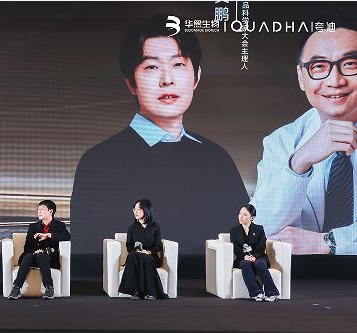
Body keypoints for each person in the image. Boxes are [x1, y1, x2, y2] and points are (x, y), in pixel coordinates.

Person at [70, 14, 248, 257]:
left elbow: (242, 239)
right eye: (152, 67)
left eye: (178, 65)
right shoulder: (98, 162)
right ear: (131, 82)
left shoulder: (217, 158)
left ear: (196, 76)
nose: (167, 80)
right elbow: (89, 254)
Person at [251, 12, 357, 255]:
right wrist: (300, 161)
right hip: (307, 278)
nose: (335, 80)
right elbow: (262, 228)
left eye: (350, 64)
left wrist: (327, 242)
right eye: (318, 67)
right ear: (301, 77)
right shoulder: (282, 141)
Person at [7, 200, 71, 300]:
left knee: (41, 256)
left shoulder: (60, 225)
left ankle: (49, 288)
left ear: (50, 211)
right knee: (28, 255)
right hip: (32, 258)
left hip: (49, 259)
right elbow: (27, 247)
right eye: (38, 209)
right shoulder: (33, 227)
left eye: (42, 209)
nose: (39, 212)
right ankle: (16, 288)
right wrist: (35, 252)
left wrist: (48, 235)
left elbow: (66, 236)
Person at [118, 199, 167, 300]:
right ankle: (136, 291)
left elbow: (158, 246)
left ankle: (150, 292)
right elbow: (129, 246)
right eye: (134, 209)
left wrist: (148, 252)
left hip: (151, 256)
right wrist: (137, 251)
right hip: (136, 255)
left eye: (139, 209)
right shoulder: (131, 228)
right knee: (132, 255)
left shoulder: (155, 227)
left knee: (141, 257)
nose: (135, 212)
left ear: (146, 210)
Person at [230, 204, 280, 302]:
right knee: (244, 264)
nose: (241, 216)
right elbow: (235, 247)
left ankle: (272, 293)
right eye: (240, 214)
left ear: (252, 217)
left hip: (259, 256)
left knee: (259, 263)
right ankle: (257, 292)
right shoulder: (234, 231)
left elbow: (261, 246)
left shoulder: (259, 229)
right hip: (242, 258)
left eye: (245, 214)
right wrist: (245, 257)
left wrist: (254, 257)